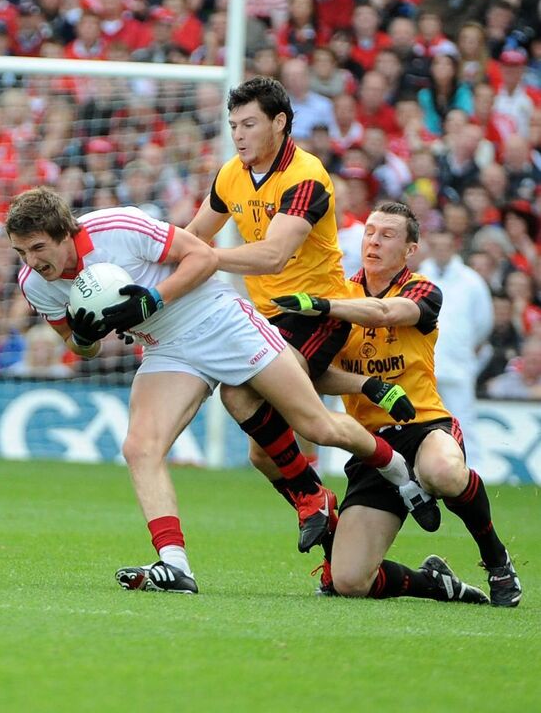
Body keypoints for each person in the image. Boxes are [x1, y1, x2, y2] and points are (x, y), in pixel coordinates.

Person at [6, 188, 431, 595]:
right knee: (140, 447)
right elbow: (82, 348)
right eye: (21, 252)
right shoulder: (35, 283)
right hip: (167, 349)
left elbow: (203, 257)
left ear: (66, 232)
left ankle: (397, 471)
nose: (31, 261)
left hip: (218, 319)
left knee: (316, 426)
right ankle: (175, 564)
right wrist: (83, 333)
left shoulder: (117, 227)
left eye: (38, 248)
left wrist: (150, 300)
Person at [186, 76, 434, 550]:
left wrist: (210, 259)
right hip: (265, 318)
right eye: (233, 124)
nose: (237, 134)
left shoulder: (306, 175)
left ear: (279, 123)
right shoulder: (229, 175)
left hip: (317, 312)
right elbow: (194, 235)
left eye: (249, 124)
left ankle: (391, 472)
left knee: (259, 403)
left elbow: (274, 255)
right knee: (263, 455)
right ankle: (323, 506)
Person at [273, 201, 522, 607]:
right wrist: (366, 384)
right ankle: (436, 584)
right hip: (372, 446)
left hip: (425, 427)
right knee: (350, 580)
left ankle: (496, 559)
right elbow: (311, 374)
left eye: (387, 235)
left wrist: (323, 306)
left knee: (442, 471)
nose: (374, 241)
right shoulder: (340, 295)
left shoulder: (421, 289)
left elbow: (387, 313)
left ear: (409, 249)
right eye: (370, 232)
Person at [419, 229, 494, 472]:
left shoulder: (471, 281)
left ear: (454, 247)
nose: (441, 251)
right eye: (437, 246)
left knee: (463, 420)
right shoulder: (419, 276)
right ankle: (422, 469)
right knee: (421, 421)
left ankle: (474, 470)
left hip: (458, 363)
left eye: (446, 246)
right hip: (424, 362)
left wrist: (463, 346)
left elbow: (484, 322)